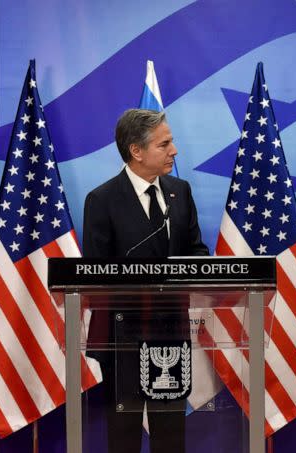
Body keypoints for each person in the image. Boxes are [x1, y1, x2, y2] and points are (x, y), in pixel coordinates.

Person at [83, 109, 209, 453]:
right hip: (121, 337)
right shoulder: (102, 200)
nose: (174, 151)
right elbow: (95, 275)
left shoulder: (179, 192)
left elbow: (196, 251)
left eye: (171, 142)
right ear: (136, 151)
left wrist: (205, 270)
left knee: (170, 437)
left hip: (169, 334)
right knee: (123, 438)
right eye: (164, 144)